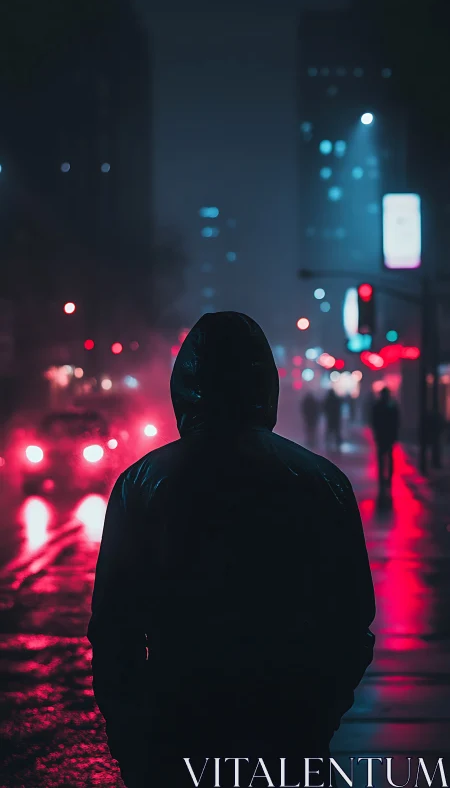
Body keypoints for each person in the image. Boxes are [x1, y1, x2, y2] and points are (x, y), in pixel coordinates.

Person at [87, 311, 375, 788]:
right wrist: (316, 714)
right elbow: (350, 621)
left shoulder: (141, 483)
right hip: (287, 729)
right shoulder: (323, 482)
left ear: (185, 386)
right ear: (266, 387)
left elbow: (114, 630)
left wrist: (133, 737)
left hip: (178, 728)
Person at [371, 386, 400, 489]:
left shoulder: (377, 406)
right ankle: (388, 477)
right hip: (388, 436)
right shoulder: (392, 406)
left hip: (381, 435)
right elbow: (396, 422)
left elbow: (374, 422)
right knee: (389, 456)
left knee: (381, 457)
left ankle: (382, 477)